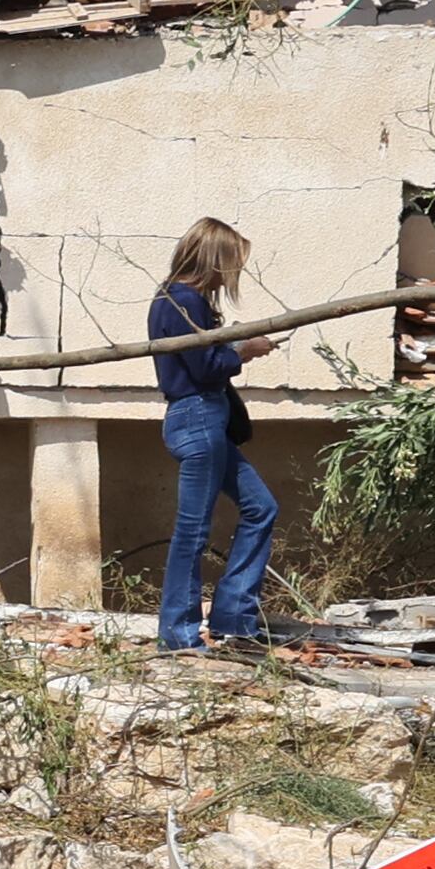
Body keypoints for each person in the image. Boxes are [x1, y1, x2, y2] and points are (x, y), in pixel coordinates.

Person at [148, 217, 274, 649]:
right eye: (231, 263)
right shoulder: (184, 302)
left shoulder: (176, 300)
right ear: (213, 259)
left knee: (261, 507)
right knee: (193, 532)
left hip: (205, 420)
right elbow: (204, 370)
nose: (233, 274)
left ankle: (234, 617)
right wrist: (244, 351)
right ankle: (179, 636)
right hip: (198, 417)